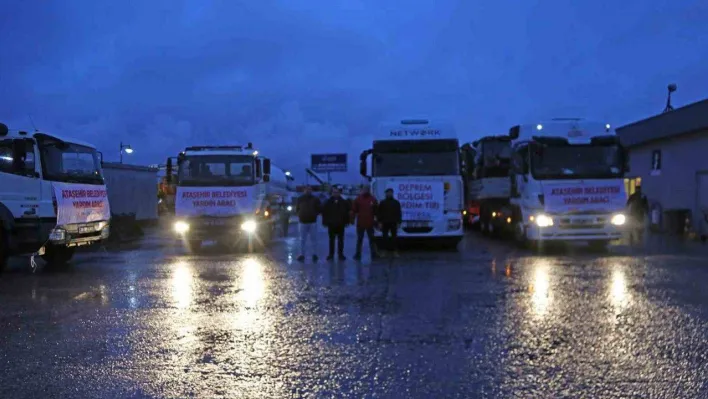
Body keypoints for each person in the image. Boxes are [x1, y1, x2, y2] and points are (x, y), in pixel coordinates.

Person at [322, 187, 351, 261]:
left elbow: (347, 213)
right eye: (334, 192)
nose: (335, 194)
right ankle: (331, 254)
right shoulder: (328, 202)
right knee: (331, 240)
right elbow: (324, 213)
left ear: (339, 193)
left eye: (337, 192)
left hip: (341, 224)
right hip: (331, 224)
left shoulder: (344, 202)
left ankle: (340, 254)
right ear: (332, 193)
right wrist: (324, 222)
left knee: (341, 240)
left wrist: (347, 222)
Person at [351, 185, 379, 260]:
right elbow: (354, 210)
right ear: (362, 190)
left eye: (367, 189)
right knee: (359, 240)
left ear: (369, 190)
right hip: (361, 223)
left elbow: (376, 211)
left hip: (370, 223)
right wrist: (352, 219)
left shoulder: (373, 199)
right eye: (364, 189)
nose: (366, 190)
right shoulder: (358, 199)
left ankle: (374, 254)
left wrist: (376, 221)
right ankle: (357, 254)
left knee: (372, 240)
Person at [296, 186, 321, 262]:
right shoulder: (300, 199)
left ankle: (315, 254)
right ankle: (302, 254)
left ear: (311, 190)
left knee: (314, 239)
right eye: (306, 189)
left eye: (309, 189)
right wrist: (300, 214)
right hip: (302, 221)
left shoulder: (315, 199)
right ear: (304, 190)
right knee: (302, 239)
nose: (308, 191)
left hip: (312, 221)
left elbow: (319, 208)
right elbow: (297, 209)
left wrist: (315, 214)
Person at [377, 188, 402, 257]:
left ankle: (395, 252)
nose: (389, 194)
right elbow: (379, 213)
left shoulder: (396, 203)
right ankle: (384, 252)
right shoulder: (382, 202)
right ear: (386, 194)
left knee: (394, 238)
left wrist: (399, 222)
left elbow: (399, 213)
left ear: (392, 193)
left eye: (390, 193)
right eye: (388, 193)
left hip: (393, 222)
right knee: (385, 238)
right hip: (385, 222)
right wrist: (379, 222)